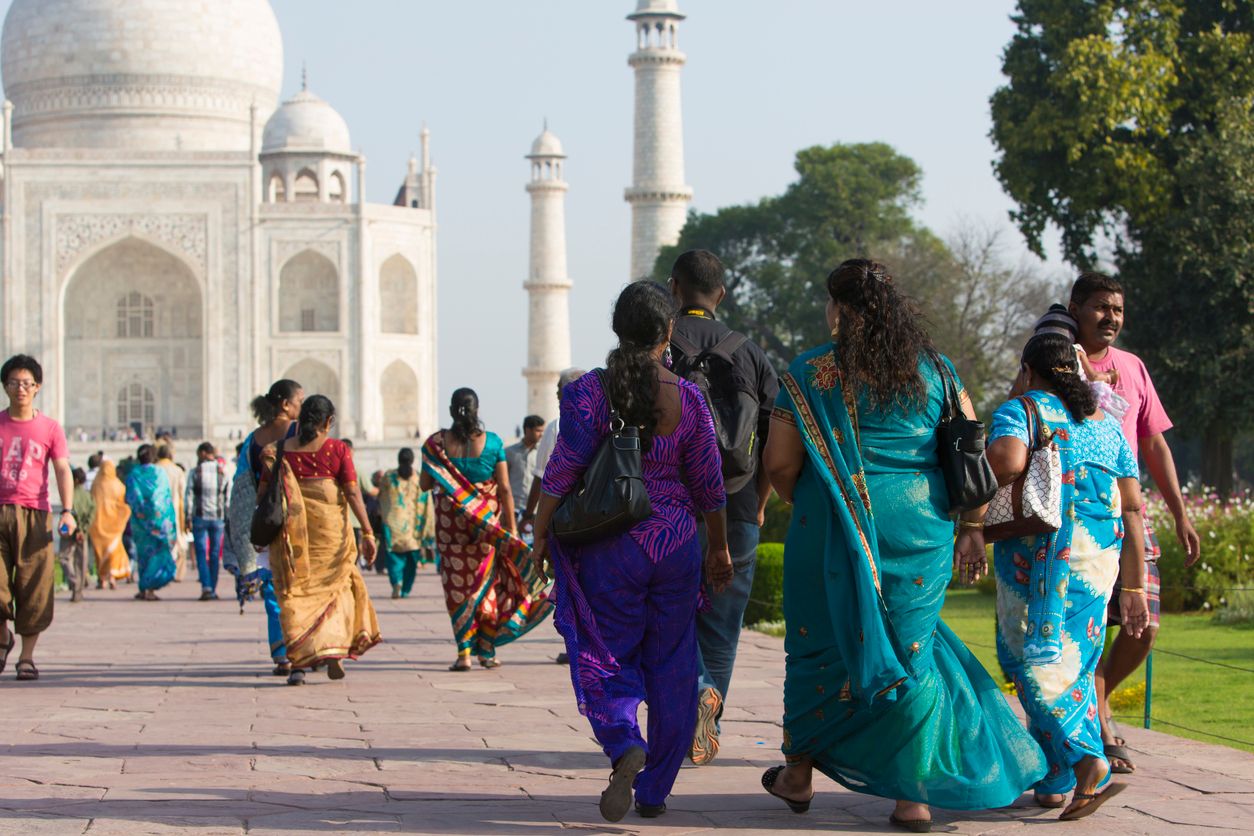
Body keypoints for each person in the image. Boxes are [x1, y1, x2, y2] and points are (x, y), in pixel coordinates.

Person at [760, 260, 1046, 831]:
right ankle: (911, 800)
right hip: (922, 527)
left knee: (817, 649)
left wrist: (829, 499)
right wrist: (969, 524)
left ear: (838, 308)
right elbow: (970, 447)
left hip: (830, 530)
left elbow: (780, 464)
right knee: (911, 655)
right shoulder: (938, 371)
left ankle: (798, 775)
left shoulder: (810, 370)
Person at [530, 281, 731, 822]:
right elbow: (710, 484)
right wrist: (720, 548)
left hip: (610, 545)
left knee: (604, 650)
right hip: (674, 542)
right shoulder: (689, 398)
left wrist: (541, 531)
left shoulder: (590, 393)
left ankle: (623, 743)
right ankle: (655, 790)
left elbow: (563, 469)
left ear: (617, 329)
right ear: (668, 331)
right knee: (673, 665)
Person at [987, 330, 1149, 820]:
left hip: (1038, 564)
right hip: (1099, 565)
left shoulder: (1023, 410)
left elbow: (1008, 462)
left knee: (1031, 664)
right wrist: (1136, 585)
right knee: (1074, 664)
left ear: (1028, 370)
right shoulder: (1107, 425)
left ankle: (1086, 761)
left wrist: (972, 493)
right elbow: (1135, 510)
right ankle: (1054, 776)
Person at [1065, 272, 1201, 775]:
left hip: (1129, 517)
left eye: (1118, 311)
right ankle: (1093, 722)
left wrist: (1181, 513)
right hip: (1076, 520)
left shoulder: (1133, 367)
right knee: (1085, 626)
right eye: (1101, 308)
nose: (1112, 319)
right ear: (1075, 308)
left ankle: (1098, 692)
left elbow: (1154, 445)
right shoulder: (1057, 363)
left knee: (1143, 629)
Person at [666, 248, 779, 766]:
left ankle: (696, 695)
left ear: (674, 289)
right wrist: (758, 503)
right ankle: (707, 715)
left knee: (666, 614)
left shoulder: (661, 348)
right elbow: (778, 441)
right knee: (723, 623)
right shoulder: (751, 353)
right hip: (738, 501)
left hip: (674, 503)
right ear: (722, 295)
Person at [420, 388, 552, 671]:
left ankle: (463, 654)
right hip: (485, 529)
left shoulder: (435, 444)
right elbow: (504, 488)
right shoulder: (492, 443)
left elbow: (424, 485)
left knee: (458, 590)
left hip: (450, 530)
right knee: (487, 586)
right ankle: (487, 652)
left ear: (451, 409)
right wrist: (513, 530)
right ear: (477, 410)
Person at [259, 395, 381, 686]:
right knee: (334, 593)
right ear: (328, 422)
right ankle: (331, 653)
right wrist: (367, 531)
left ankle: (298, 665)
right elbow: (353, 494)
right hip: (330, 538)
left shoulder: (276, 452)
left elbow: (264, 494)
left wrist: (260, 531)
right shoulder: (337, 450)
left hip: (291, 539)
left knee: (293, 596)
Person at [0, 354, 76, 681]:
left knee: (35, 586)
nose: (21, 389)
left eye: (27, 383)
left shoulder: (50, 428)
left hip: (36, 513)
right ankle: (3, 635)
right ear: (5, 386)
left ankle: (26, 658)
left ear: (37, 387)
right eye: (14, 383)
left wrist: (69, 511)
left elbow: (62, 469)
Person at [225, 379, 302, 675]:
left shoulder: (253, 439)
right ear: (285, 404)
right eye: (299, 399)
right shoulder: (299, 433)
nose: (301, 405)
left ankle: (282, 655)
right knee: (301, 585)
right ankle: (304, 648)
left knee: (273, 588)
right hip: (297, 520)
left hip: (266, 519)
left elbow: (242, 485)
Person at [522, 367, 587, 665]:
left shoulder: (559, 426)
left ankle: (577, 645)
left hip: (566, 520)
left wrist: (536, 524)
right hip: (604, 519)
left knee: (569, 586)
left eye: (560, 391)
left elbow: (545, 479)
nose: (558, 396)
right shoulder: (609, 421)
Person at [377, 448, 436, 599]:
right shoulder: (418, 478)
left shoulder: (389, 477)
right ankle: (405, 590)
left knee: (394, 558)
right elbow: (427, 504)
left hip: (393, 524)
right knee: (411, 560)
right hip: (413, 528)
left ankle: (397, 581)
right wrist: (428, 529)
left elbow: (380, 496)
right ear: (412, 461)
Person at [124, 444, 178, 601]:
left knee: (143, 556)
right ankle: (150, 588)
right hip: (159, 523)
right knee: (157, 555)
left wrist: (142, 512)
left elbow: (131, 499)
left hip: (140, 524)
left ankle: (144, 587)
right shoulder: (159, 473)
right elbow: (164, 498)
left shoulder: (133, 475)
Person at [186, 441, 229, 601]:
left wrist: (188, 517)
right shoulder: (223, 471)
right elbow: (227, 499)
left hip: (200, 518)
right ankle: (213, 586)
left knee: (201, 554)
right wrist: (227, 518)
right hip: (218, 519)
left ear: (203, 453)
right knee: (214, 554)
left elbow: (189, 497)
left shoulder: (195, 472)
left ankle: (206, 586)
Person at [89, 460, 132, 588]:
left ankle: (102, 578)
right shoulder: (117, 485)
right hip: (114, 524)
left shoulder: (95, 484)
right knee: (114, 551)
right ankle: (112, 577)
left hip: (97, 524)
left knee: (99, 552)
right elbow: (123, 503)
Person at [58, 468, 95, 603]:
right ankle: (78, 589)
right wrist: (83, 530)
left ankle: (74, 582)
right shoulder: (88, 495)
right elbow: (92, 513)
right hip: (83, 532)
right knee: (81, 561)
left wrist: (77, 528)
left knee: (64, 558)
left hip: (69, 530)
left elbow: (72, 511)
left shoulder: (70, 495)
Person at [155, 442, 189, 582]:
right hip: (174, 510)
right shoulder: (177, 471)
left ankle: (162, 573)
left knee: (159, 544)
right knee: (179, 544)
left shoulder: (155, 469)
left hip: (158, 512)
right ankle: (177, 574)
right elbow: (183, 494)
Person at [505, 415, 545, 520]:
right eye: (538, 431)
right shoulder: (509, 452)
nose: (541, 434)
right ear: (528, 430)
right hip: (514, 509)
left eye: (542, 431)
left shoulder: (543, 454)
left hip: (536, 511)